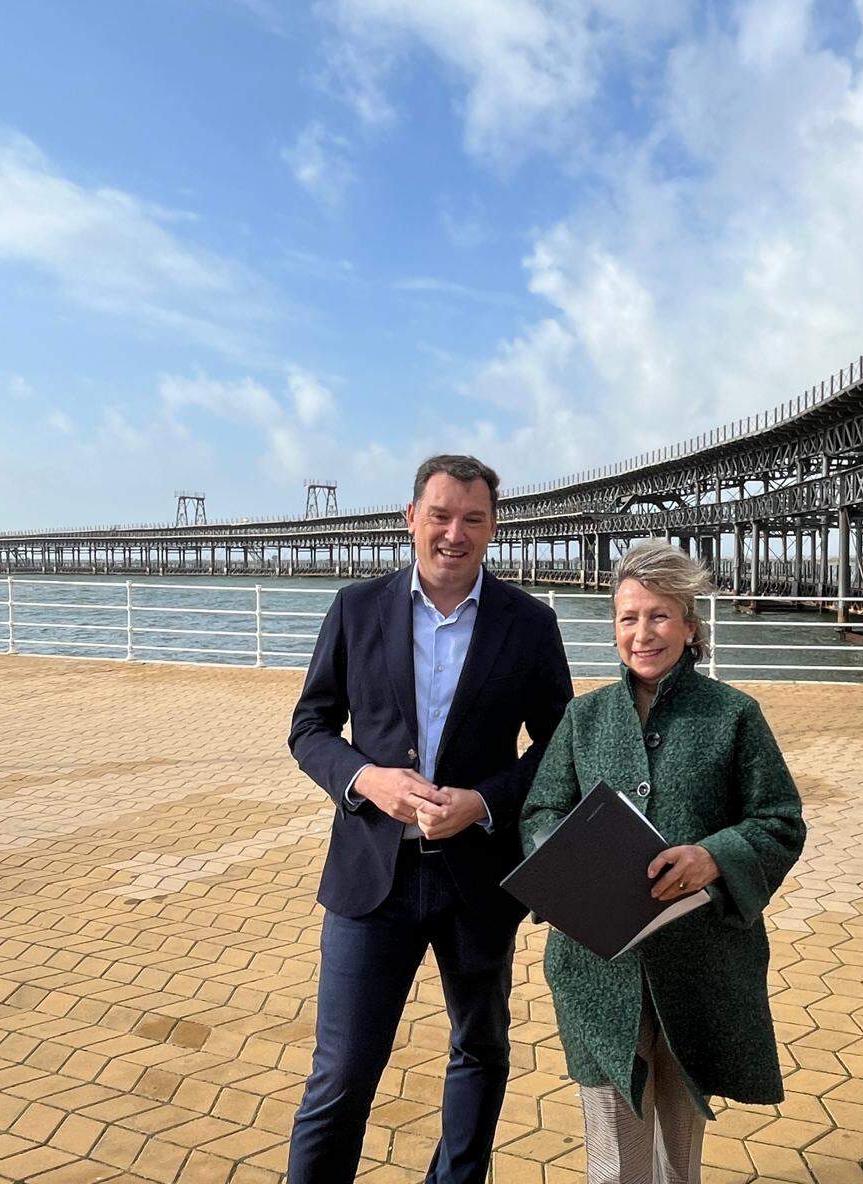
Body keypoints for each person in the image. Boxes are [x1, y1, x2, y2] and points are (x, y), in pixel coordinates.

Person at [286, 454, 573, 1184]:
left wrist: (484, 802)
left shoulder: (530, 623)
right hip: (371, 875)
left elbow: (560, 745)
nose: (455, 533)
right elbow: (310, 727)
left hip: (478, 876)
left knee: (480, 1051)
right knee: (342, 1072)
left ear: (493, 527)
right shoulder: (356, 608)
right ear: (410, 518)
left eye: (473, 519)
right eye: (440, 515)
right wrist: (366, 779)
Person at [521, 540, 805, 1184]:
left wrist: (714, 856)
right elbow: (540, 814)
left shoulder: (734, 716)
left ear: (690, 626)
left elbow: (781, 821)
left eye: (658, 616)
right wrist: (565, 882)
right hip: (597, 965)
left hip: (699, 962)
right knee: (611, 1149)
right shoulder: (584, 716)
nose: (642, 633)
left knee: (678, 1149)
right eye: (628, 617)